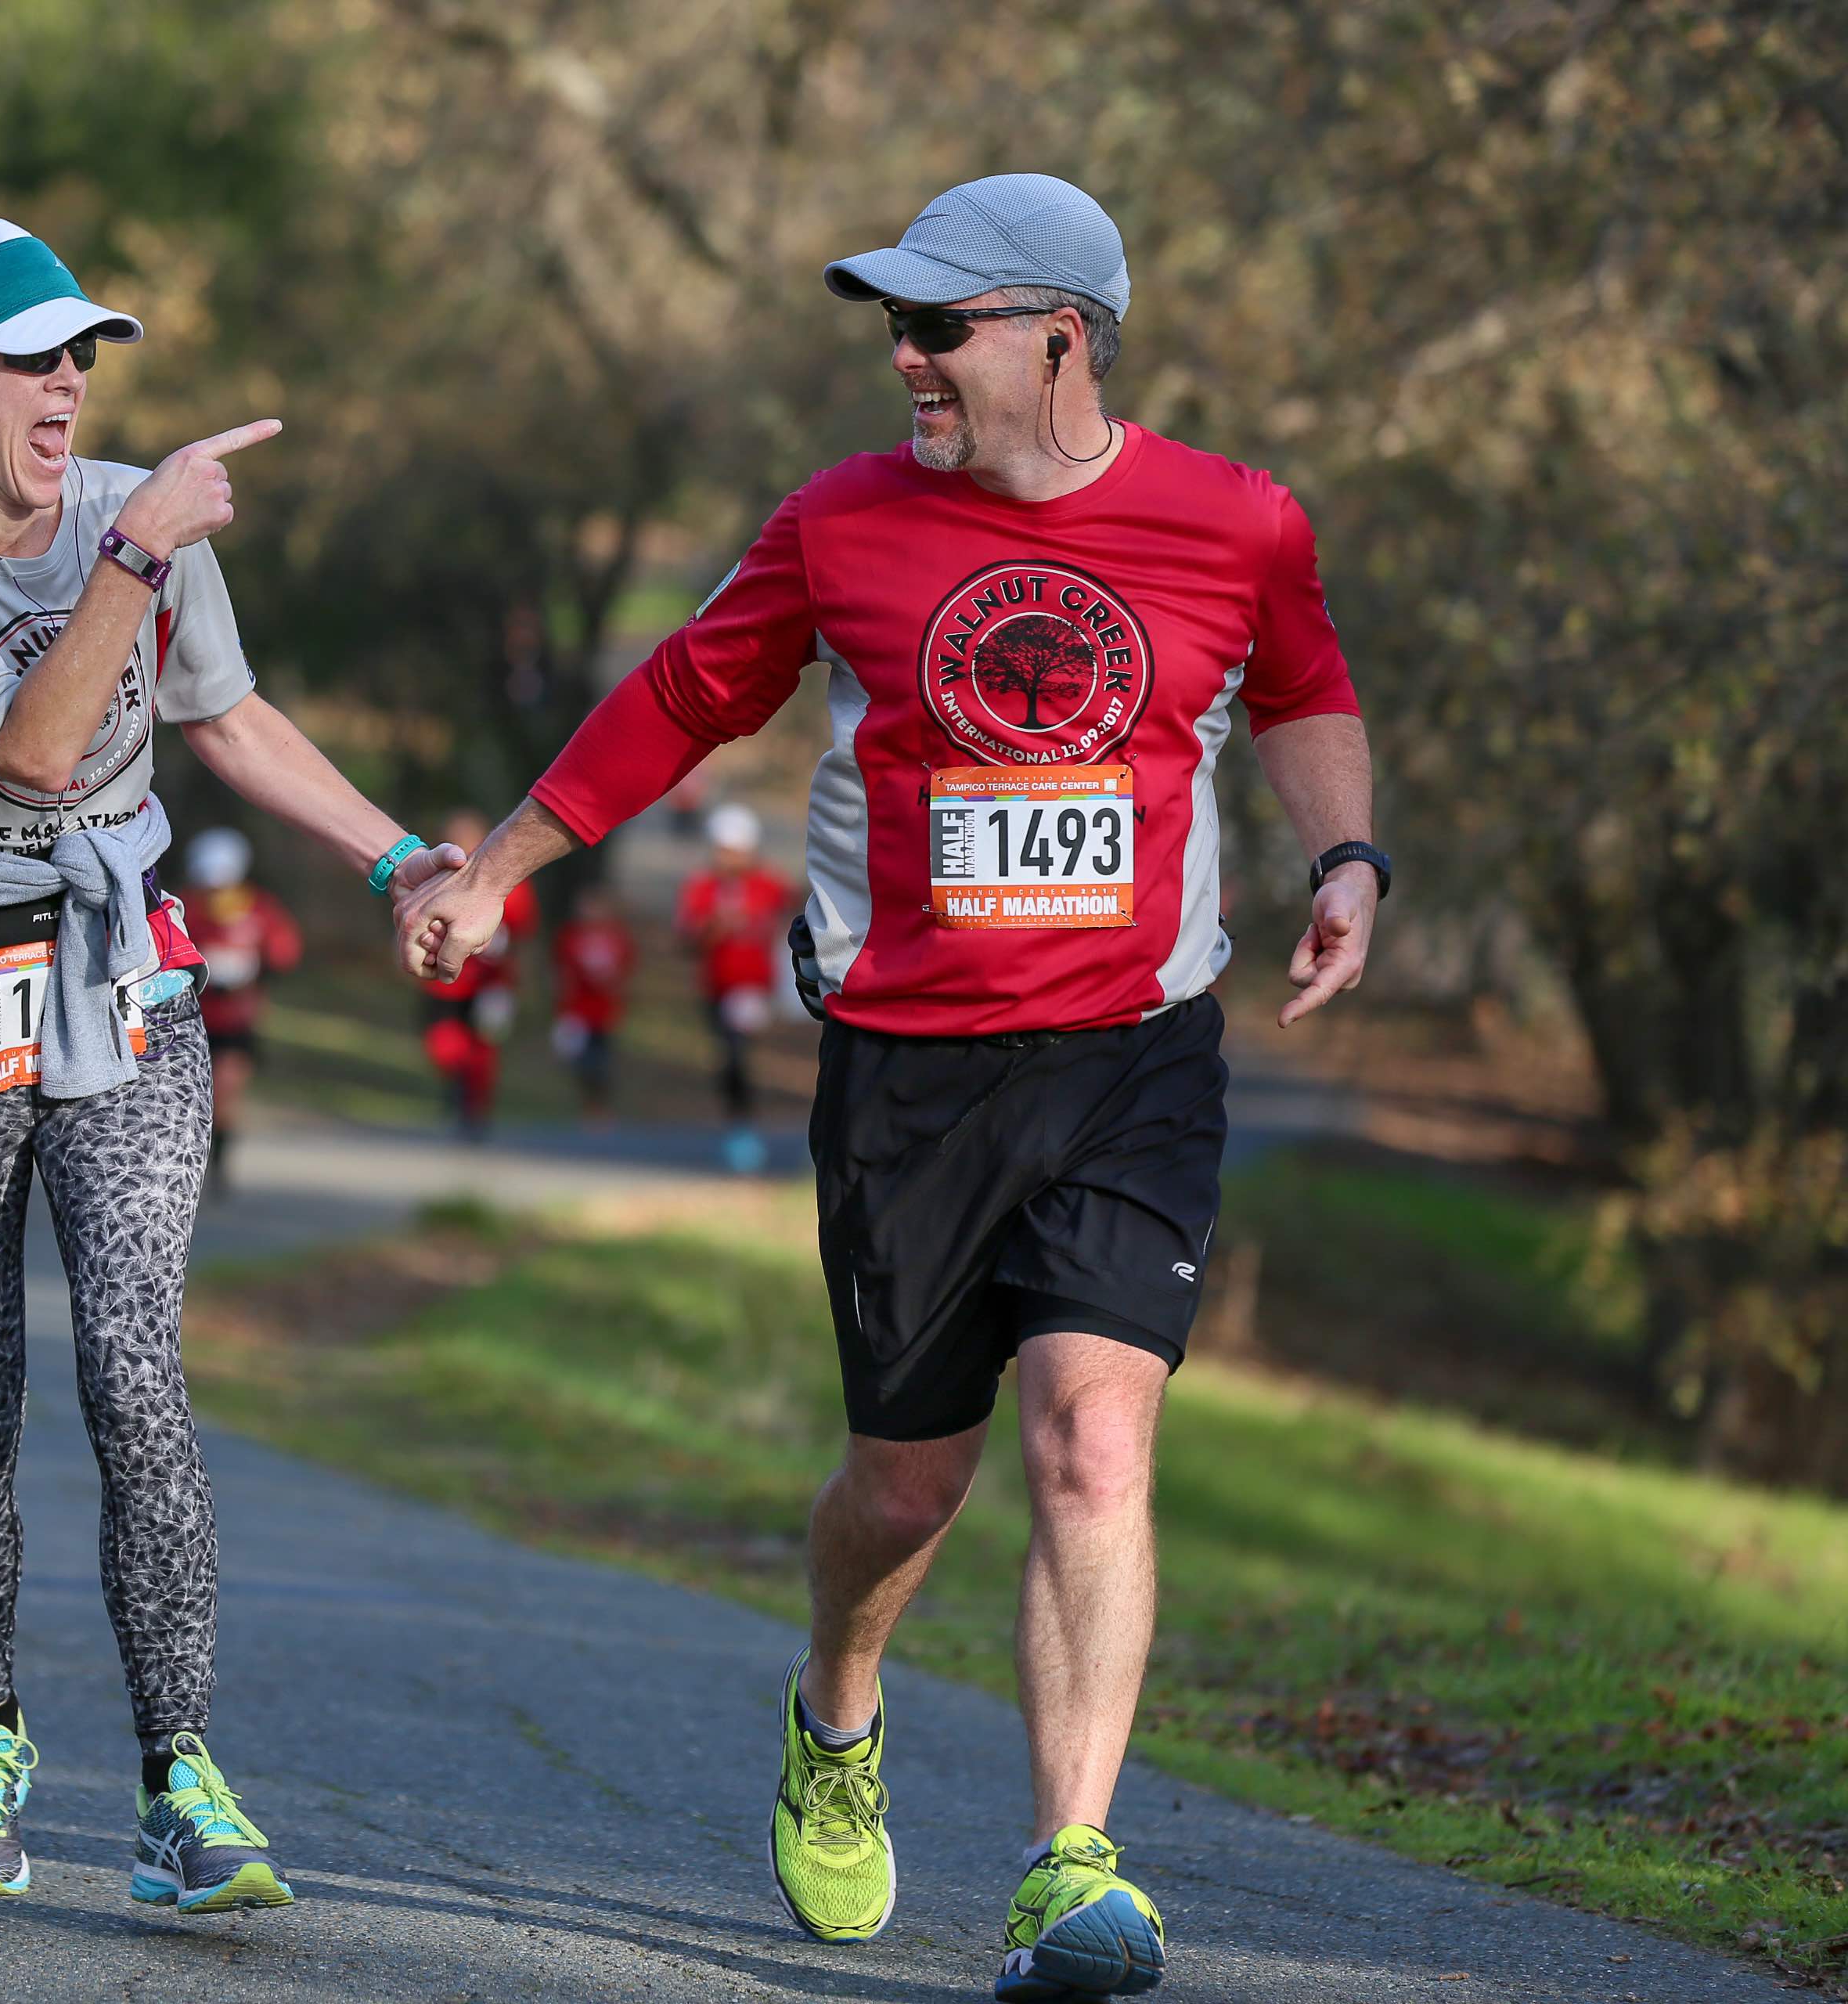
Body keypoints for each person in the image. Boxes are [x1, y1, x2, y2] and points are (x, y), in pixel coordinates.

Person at [397, 175, 1385, 1999]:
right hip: (906, 1076)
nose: (904, 361)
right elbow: (684, 696)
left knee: (1093, 1441)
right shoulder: (838, 522)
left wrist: (1345, 861)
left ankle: (1066, 1862)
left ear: (1059, 339)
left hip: (1130, 1053)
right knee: (903, 1487)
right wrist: (503, 865)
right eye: (892, 328)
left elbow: (1306, 686)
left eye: (938, 328)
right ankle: (835, 1710)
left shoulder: (1233, 520)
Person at [0, 219, 460, 1915]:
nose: (70, 383)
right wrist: (130, 552)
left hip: (120, 990)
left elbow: (226, 716)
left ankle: (180, 1779)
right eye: (33, 357)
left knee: (138, 1373)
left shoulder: (141, 511)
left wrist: (396, 855)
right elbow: (38, 748)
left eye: (85, 356)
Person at [178, 825, 301, 1198]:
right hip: (188, 1021)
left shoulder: (260, 910)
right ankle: (186, 1166)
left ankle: (218, 1168)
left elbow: (285, 952)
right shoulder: (184, 907)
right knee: (188, 1099)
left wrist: (253, 974)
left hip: (237, 1022)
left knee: (225, 1092)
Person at [676, 803, 797, 1173]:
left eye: (733, 850)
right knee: (728, 1059)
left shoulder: (769, 885)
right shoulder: (702, 887)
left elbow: (800, 916)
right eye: (721, 849)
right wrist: (715, 928)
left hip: (751, 988)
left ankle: (744, 1131)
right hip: (715, 986)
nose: (726, 858)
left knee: (737, 1052)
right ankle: (739, 1123)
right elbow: (686, 942)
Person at [416, 806, 532, 1139]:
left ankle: (474, 1113)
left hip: (490, 987)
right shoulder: (436, 879)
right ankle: (454, 1089)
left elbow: (522, 937)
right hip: (446, 985)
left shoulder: (513, 885)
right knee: (444, 1047)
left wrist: (516, 984)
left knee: (484, 1050)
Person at [548, 881, 636, 1123]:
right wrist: (562, 1010)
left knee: (601, 1062)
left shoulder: (616, 937)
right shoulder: (570, 936)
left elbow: (624, 972)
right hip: (578, 1011)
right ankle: (588, 1104)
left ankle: (600, 1107)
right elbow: (561, 973)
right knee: (581, 1062)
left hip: (604, 1012)